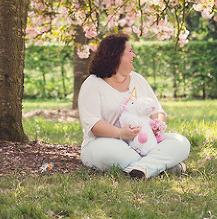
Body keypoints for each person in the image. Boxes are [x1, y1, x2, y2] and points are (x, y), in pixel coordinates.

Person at [78, 33, 191, 179]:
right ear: (115, 56)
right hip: (102, 143)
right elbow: (93, 124)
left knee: (181, 143)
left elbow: (156, 110)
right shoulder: (93, 84)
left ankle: (142, 168)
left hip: (144, 142)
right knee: (118, 154)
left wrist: (158, 125)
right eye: (130, 51)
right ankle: (163, 167)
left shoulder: (137, 79)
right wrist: (120, 133)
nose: (134, 55)